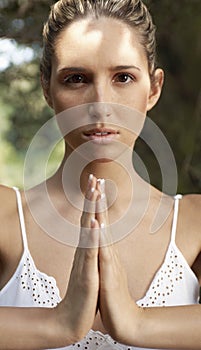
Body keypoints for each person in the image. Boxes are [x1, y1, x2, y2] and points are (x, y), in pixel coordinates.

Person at [0, 0, 201, 349]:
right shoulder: (4, 217)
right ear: (47, 89)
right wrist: (58, 323)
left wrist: (136, 323)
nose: (101, 102)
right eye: (76, 79)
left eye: (123, 77)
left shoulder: (194, 225)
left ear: (153, 88)